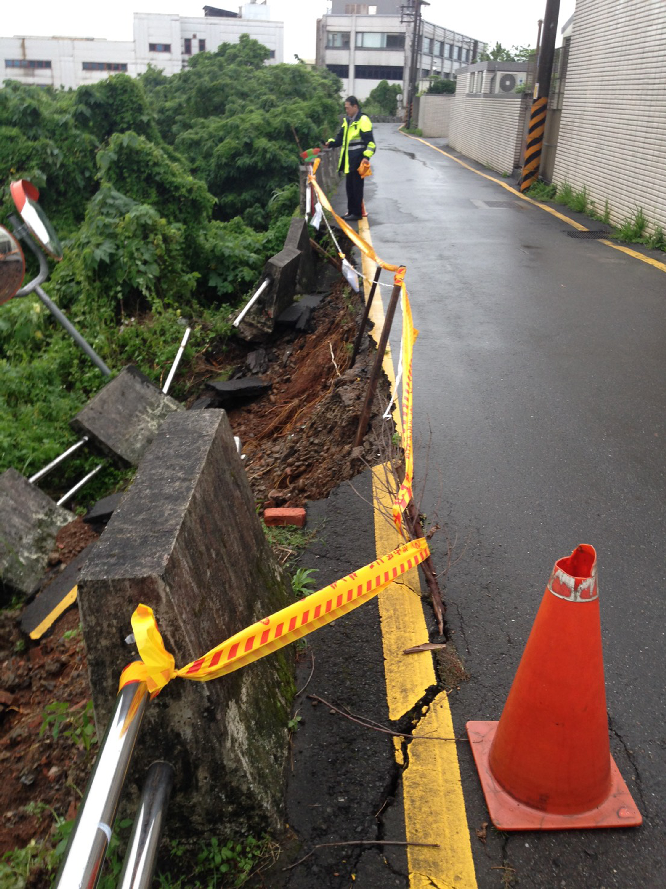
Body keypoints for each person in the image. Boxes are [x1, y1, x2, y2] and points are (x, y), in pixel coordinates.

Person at [325, 96, 376, 221]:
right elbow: (340, 139)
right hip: (349, 162)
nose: (346, 110)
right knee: (350, 188)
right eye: (345, 108)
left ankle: (357, 213)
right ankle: (351, 212)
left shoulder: (363, 120)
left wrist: (366, 157)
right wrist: (330, 143)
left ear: (355, 107)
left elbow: (371, 144)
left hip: (358, 161)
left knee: (357, 188)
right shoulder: (347, 121)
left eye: (348, 108)